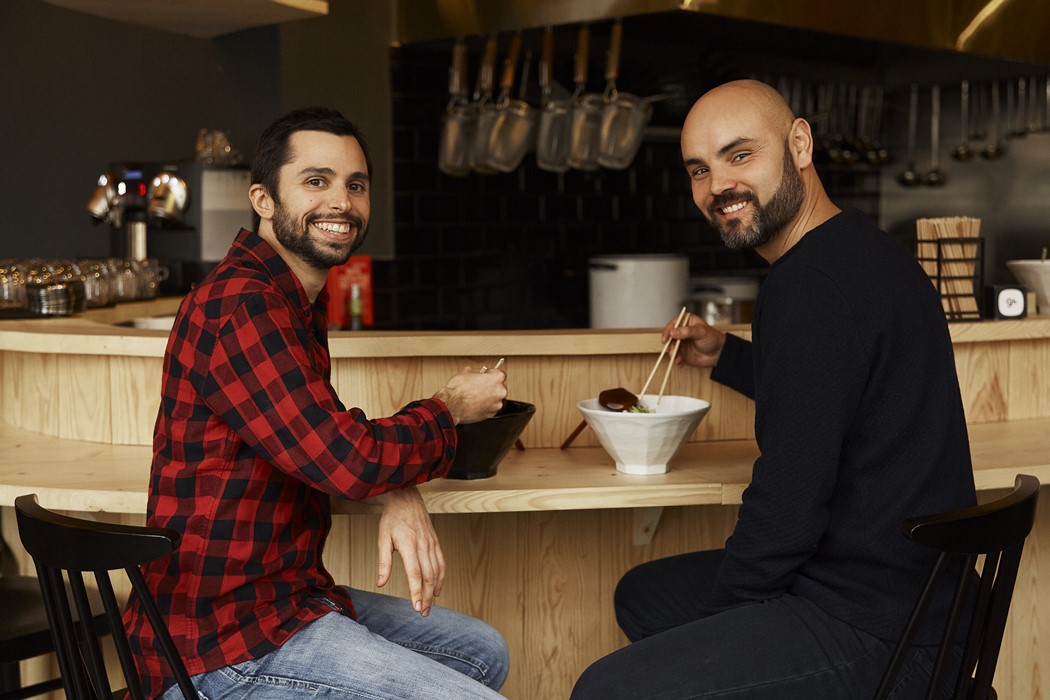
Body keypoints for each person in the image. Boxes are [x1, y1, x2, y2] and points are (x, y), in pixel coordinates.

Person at [571, 80, 978, 699]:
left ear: (799, 143)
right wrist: (727, 356)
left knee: (603, 691)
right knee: (644, 594)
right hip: (921, 598)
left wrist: (719, 634)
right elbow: (832, 388)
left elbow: (786, 510)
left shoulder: (804, 287)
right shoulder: (864, 254)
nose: (718, 188)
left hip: (882, 630)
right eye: (699, 170)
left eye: (741, 156)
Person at [123, 107, 511, 699]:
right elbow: (345, 459)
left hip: (284, 603)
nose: (342, 202)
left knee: (482, 654)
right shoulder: (242, 306)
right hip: (218, 645)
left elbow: (316, 440)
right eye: (316, 181)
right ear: (263, 200)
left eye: (356, 185)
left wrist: (395, 490)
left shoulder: (291, 301)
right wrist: (451, 405)